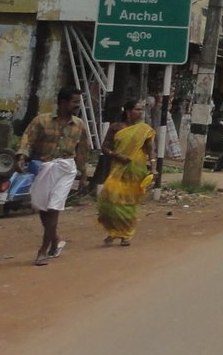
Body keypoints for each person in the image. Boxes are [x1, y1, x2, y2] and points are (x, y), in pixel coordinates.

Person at [19, 87, 93, 267]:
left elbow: (82, 151)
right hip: (43, 167)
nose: (78, 106)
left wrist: (83, 174)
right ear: (62, 102)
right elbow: (27, 139)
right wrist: (21, 156)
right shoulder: (41, 121)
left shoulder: (79, 125)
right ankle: (56, 239)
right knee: (42, 207)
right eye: (75, 102)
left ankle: (42, 251)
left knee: (54, 208)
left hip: (66, 169)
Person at [96, 98, 155, 246]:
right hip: (117, 169)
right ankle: (112, 232)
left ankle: (125, 235)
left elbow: (150, 150)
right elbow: (105, 147)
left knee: (129, 204)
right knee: (110, 201)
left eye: (141, 109)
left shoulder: (144, 130)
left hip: (136, 171)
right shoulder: (116, 127)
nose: (140, 112)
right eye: (137, 109)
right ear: (128, 111)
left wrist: (153, 167)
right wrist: (116, 155)